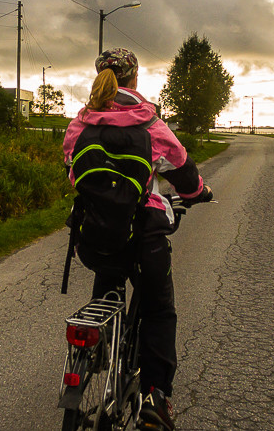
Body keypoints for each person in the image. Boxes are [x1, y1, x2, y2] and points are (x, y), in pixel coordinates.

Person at [62, 48, 212, 431]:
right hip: (144, 235)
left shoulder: (81, 123)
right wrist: (198, 193)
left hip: (94, 237)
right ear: (134, 79)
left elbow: (72, 170)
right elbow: (184, 172)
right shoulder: (149, 124)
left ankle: (97, 353)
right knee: (159, 309)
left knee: (107, 288)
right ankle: (155, 398)